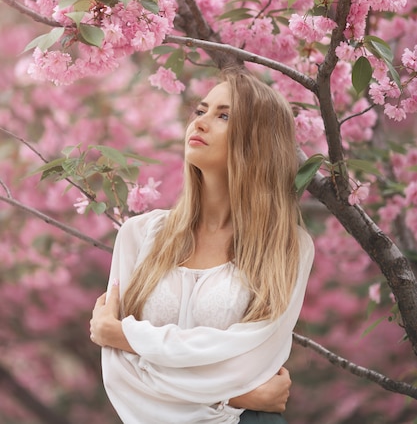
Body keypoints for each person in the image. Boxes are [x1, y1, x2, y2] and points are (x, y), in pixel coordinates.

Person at [90, 68, 314, 424]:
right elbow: (119, 373)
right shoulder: (140, 234)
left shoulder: (287, 247)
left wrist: (123, 335)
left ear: (257, 140)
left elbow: (251, 362)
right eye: (201, 111)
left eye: (223, 115)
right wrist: (237, 395)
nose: (201, 122)